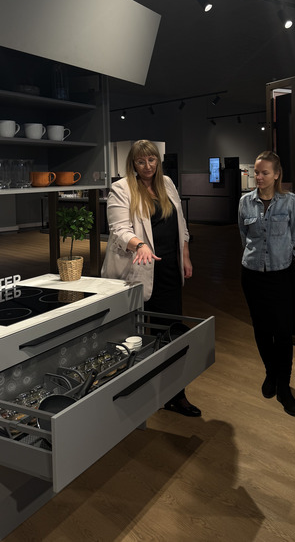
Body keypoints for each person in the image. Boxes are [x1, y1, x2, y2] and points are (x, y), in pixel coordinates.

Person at [101, 139, 200, 417]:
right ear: (133, 163)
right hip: (138, 271)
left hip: (168, 271)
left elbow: (181, 225)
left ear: (158, 160)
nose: (147, 166)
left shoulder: (167, 183)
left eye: (152, 160)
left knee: (171, 333)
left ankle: (175, 395)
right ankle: (135, 396)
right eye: (141, 161)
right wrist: (139, 244)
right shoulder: (122, 188)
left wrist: (185, 255)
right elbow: (119, 230)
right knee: (136, 336)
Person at [238, 151, 295, 417]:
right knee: (261, 328)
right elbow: (244, 236)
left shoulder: (290, 201)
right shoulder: (245, 202)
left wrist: (283, 259)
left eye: (265, 172)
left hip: (280, 273)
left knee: (283, 331)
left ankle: (284, 386)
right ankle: (270, 373)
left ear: (276, 174)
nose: (259, 177)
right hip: (252, 273)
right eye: (256, 172)